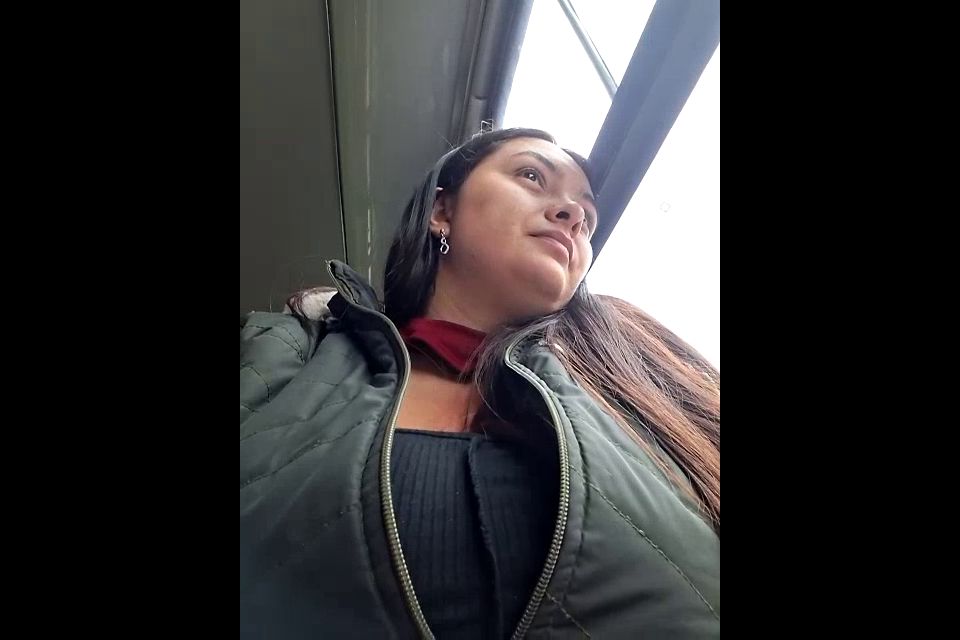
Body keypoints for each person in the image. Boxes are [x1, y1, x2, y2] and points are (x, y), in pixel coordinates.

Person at [240, 127, 720, 639]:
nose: (574, 215)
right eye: (531, 176)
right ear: (441, 211)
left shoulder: (638, 364)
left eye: (588, 215)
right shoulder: (290, 350)